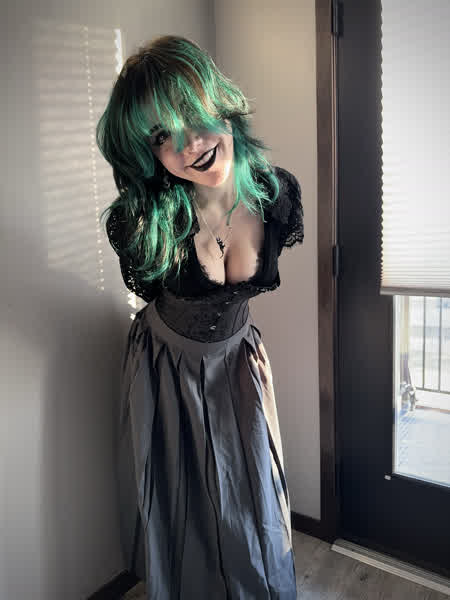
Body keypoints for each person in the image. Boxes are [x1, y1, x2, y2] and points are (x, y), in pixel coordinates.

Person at [96, 34, 304, 600]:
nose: (190, 143)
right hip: (166, 369)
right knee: (182, 511)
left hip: (240, 363)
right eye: (162, 136)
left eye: (192, 113)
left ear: (220, 100)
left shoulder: (277, 196)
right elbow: (150, 294)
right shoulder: (143, 222)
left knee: (253, 500)